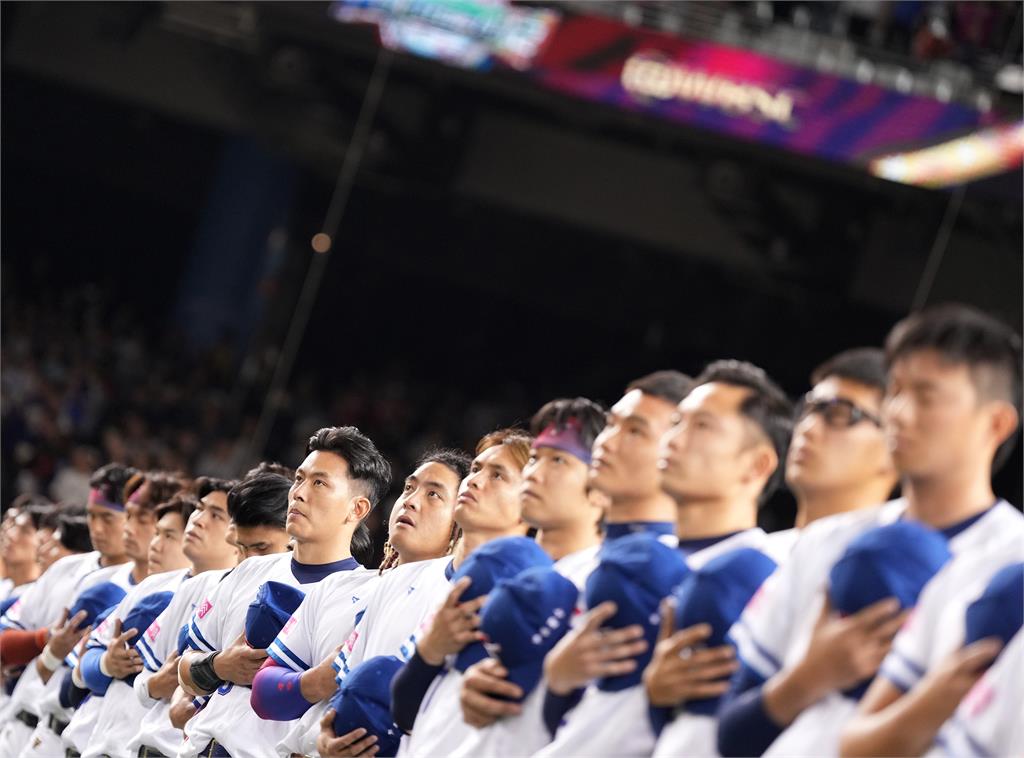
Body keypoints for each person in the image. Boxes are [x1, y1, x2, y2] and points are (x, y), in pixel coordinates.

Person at [718, 304, 1024, 757]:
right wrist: (809, 678)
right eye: (896, 391)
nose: (898, 412)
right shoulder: (827, 541)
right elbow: (729, 737)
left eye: (926, 396)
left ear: (995, 423)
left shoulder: (1012, 565)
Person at [542, 360, 794, 757]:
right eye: (677, 422)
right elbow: (579, 725)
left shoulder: (759, 580)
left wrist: (655, 701)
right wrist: (558, 682)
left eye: (702, 427)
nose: (674, 439)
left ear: (757, 464)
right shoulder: (639, 564)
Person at [311, 430, 531, 758]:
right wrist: (325, 740)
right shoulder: (397, 580)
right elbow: (349, 691)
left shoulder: (527, 598)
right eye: (475, 470)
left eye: (497, 474)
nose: (475, 480)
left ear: (530, 496)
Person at [176, 426, 390, 758]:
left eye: (319, 483)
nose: (299, 493)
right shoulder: (249, 569)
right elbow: (185, 671)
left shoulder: (367, 595)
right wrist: (219, 666)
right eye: (300, 479)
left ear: (357, 509)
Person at [248, 449, 470, 754]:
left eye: (434, 495)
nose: (411, 500)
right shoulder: (339, 585)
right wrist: (319, 681)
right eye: (409, 487)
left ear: (460, 520)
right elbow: (263, 694)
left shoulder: (453, 604)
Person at [0, 464, 137, 757]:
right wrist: (44, 639)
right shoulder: (68, 568)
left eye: (108, 518)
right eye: (92, 516)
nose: (97, 528)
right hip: (31, 727)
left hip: (81, 735)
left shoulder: (145, 585)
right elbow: (4, 641)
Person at [61, 494, 198, 758]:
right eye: (156, 534)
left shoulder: (216, 594)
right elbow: (74, 683)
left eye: (169, 536)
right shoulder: (147, 588)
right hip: (91, 741)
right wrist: (105, 664)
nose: (155, 545)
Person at [127, 477, 248, 758]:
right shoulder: (183, 587)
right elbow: (143, 683)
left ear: (235, 532)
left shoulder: (255, 592)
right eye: (200, 508)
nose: (199, 519)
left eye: (216, 514)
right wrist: (154, 684)